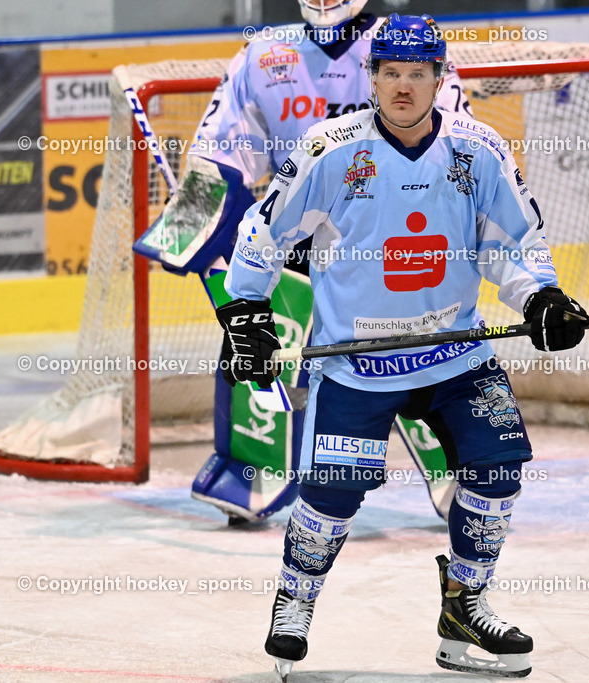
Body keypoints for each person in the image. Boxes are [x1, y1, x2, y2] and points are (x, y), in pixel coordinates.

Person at [215, 14, 588, 680]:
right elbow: (264, 231)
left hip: (457, 353)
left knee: (498, 468)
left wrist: (542, 297)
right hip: (356, 362)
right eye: (392, 74)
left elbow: (515, 244)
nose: (405, 88)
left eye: (419, 74)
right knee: (333, 492)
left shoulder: (479, 151)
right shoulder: (330, 150)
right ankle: (294, 601)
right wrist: (247, 307)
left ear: (441, 78)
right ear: (373, 77)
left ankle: (465, 606)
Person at [180, 0, 471, 524]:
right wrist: (203, 220)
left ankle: (461, 467)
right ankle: (256, 471)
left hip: (391, 242)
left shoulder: (402, 43)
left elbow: (455, 143)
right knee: (261, 350)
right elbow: (221, 154)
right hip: (294, 235)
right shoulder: (264, 53)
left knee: (419, 356)